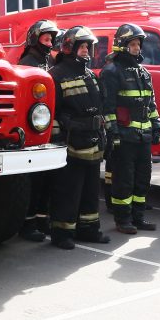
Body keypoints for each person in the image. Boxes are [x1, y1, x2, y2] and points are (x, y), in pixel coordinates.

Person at [48, 26, 112, 249]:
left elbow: (100, 107)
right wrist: (61, 139)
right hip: (71, 143)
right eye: (82, 46)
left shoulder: (89, 75)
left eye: (87, 47)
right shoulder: (55, 75)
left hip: (92, 141)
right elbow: (52, 113)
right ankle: (62, 233)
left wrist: (105, 133)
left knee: (91, 190)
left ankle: (88, 229)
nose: (86, 51)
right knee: (68, 189)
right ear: (69, 48)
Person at [100, 23, 160, 234]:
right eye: (133, 44)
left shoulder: (143, 73)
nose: (137, 48)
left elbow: (151, 104)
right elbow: (107, 107)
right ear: (122, 45)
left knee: (142, 179)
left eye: (138, 44)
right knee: (123, 180)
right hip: (124, 137)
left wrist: (156, 127)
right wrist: (113, 133)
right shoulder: (111, 71)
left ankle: (138, 217)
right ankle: (122, 220)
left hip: (142, 137)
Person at [17, 19, 60, 241]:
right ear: (34, 39)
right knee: (34, 181)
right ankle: (27, 224)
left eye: (51, 39)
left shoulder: (47, 62)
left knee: (47, 180)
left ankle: (43, 220)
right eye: (46, 38)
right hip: (33, 134)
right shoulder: (28, 63)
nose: (50, 42)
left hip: (48, 132)